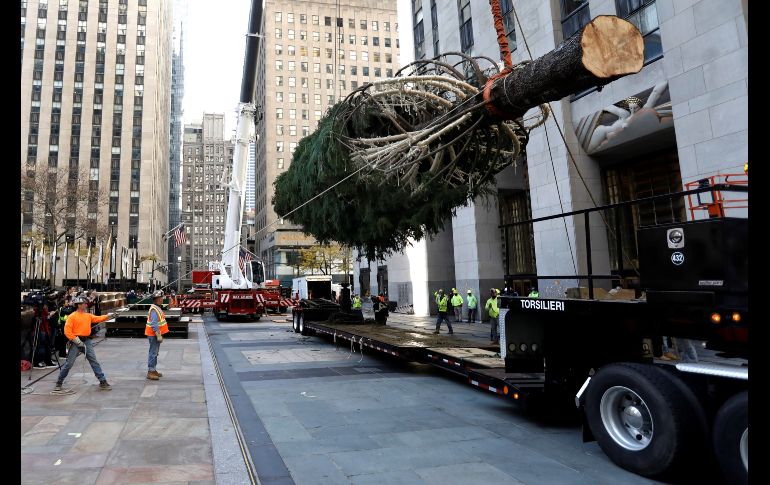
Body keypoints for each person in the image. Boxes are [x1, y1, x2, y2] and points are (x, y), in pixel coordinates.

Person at [52, 296, 115, 393]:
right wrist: (76, 341)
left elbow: (98, 318)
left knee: (94, 361)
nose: (86, 305)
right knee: (69, 364)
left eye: (86, 303)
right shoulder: (72, 316)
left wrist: (109, 316)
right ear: (79, 305)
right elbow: (67, 331)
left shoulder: (88, 315)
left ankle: (102, 381)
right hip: (76, 342)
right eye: (84, 303)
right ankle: (59, 383)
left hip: (86, 341)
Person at [146, 290, 170, 380]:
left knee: (155, 353)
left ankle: (153, 369)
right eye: (160, 298)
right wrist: (158, 334)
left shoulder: (157, 308)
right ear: (155, 299)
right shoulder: (154, 309)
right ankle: (150, 371)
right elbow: (154, 323)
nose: (162, 299)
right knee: (153, 352)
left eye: (162, 298)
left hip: (155, 334)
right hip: (153, 334)